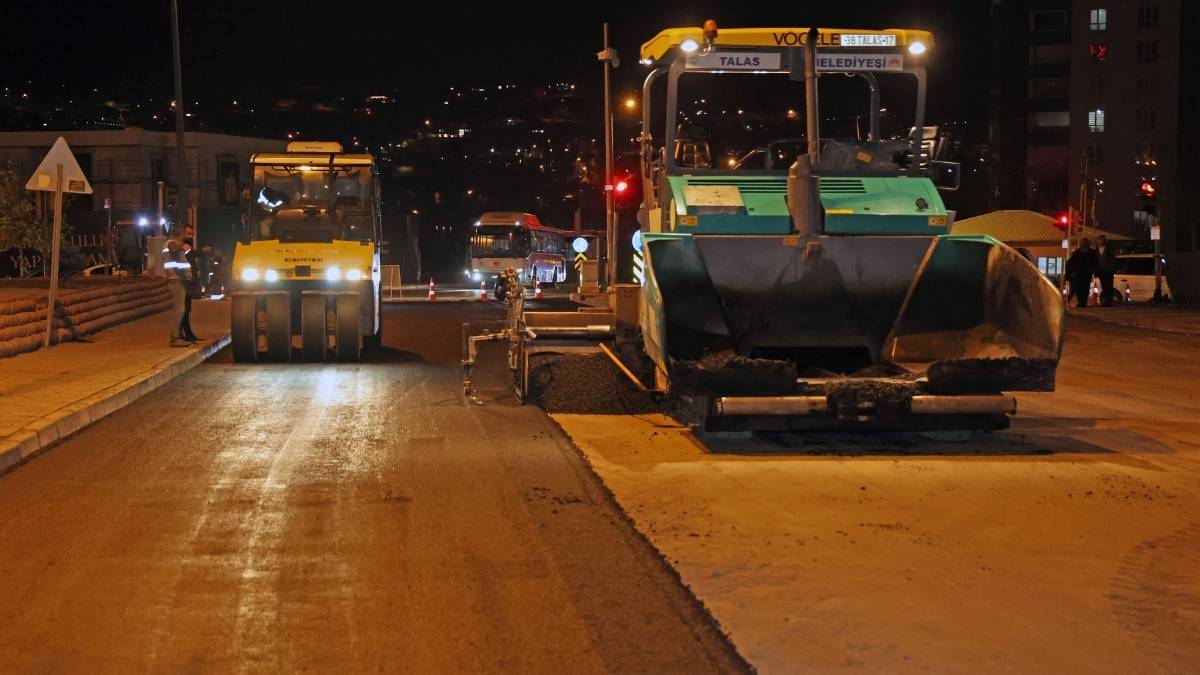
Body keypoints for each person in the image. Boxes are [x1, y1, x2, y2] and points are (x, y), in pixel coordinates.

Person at [162, 228, 194, 347]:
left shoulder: (174, 244)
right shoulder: (171, 243)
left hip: (180, 280)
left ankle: (178, 336)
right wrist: (182, 246)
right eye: (185, 234)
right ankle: (175, 339)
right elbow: (174, 248)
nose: (186, 237)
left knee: (181, 309)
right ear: (180, 234)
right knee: (179, 309)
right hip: (176, 280)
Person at [1066, 237, 1099, 307]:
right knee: (1077, 289)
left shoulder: (1092, 253)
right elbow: (1070, 263)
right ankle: (1081, 302)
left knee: (1085, 289)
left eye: (1083, 242)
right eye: (1081, 242)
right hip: (1077, 274)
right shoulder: (1077, 252)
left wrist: (1092, 271)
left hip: (1086, 274)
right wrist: (1071, 273)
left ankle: (1083, 303)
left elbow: (1095, 263)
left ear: (1087, 243)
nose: (1082, 244)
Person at [1095, 234, 1117, 306]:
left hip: (1108, 272)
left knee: (1109, 287)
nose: (1100, 241)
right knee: (1104, 287)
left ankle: (1109, 302)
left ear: (1104, 241)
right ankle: (1106, 301)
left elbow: (1113, 260)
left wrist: (1112, 269)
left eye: (1101, 240)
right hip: (1101, 271)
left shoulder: (1109, 249)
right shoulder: (1096, 250)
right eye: (1099, 240)